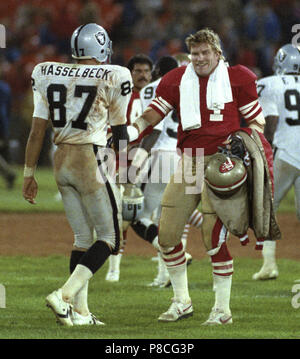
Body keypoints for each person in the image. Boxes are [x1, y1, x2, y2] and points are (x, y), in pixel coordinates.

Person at [126, 28, 267, 324]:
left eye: (205, 52)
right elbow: (153, 113)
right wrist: (131, 130)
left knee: (212, 236)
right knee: (166, 234)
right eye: (195, 53)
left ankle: (222, 309)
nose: (200, 58)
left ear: (218, 54)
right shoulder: (177, 79)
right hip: (189, 162)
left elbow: (257, 120)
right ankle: (181, 301)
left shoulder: (237, 77)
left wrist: (244, 139)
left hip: (221, 164)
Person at [22, 23, 133, 326]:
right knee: (111, 238)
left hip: (60, 163)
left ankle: (79, 313)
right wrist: (127, 169)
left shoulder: (46, 71)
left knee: (83, 237)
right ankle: (64, 296)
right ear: (101, 48)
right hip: (89, 159)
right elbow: (121, 132)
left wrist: (29, 174)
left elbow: (36, 132)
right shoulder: (115, 75)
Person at [130, 55, 203, 287]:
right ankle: (165, 277)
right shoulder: (193, 89)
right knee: (172, 219)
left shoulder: (153, 88)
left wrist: (136, 161)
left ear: (157, 72)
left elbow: (154, 129)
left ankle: (176, 255)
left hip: (163, 156)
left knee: (138, 216)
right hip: (191, 156)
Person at [253, 44, 300, 280]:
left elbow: (270, 124)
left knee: (267, 207)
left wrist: (264, 149)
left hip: (287, 154)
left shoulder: (269, 84)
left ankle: (269, 264)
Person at [105, 53, 153, 282]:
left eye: (146, 71)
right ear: (130, 73)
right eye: (138, 71)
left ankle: (169, 259)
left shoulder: (153, 96)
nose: (142, 75)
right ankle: (115, 268)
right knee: (126, 212)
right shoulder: (123, 97)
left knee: (129, 212)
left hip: (149, 159)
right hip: (124, 158)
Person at [0, 75, 16, 189]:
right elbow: (9, 108)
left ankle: (9, 174)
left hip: (2, 124)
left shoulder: (3, 88)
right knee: (5, 155)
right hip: (4, 124)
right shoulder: (5, 87)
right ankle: (8, 174)